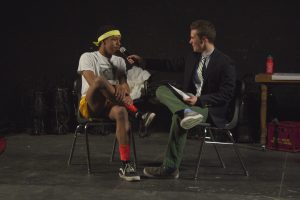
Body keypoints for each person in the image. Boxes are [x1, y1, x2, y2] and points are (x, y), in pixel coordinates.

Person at [128, 19, 236, 179]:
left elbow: (226, 94)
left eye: (193, 37)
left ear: (204, 39)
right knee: (161, 89)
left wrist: (198, 100)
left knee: (178, 118)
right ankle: (185, 111)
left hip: (208, 108)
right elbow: (169, 64)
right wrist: (143, 61)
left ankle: (170, 168)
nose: (190, 41)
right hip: (188, 103)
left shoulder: (225, 63)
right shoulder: (193, 57)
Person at [77, 25, 155, 181]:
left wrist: (124, 91)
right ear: (102, 42)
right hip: (92, 104)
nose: (118, 44)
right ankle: (138, 114)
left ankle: (126, 164)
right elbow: (93, 82)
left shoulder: (119, 61)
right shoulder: (88, 57)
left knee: (121, 112)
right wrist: (116, 88)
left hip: (112, 105)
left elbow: (124, 85)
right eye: (114, 40)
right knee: (100, 80)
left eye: (119, 41)